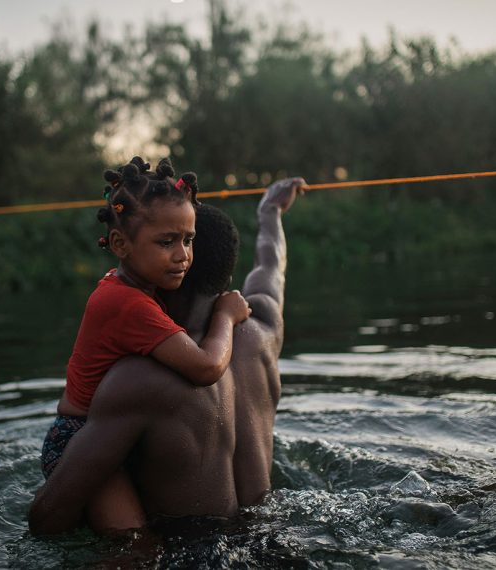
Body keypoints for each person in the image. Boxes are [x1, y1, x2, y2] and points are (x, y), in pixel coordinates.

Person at [29, 176, 304, 535]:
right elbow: (270, 264)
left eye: (187, 241)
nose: (180, 254)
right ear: (228, 273)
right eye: (167, 242)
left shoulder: (137, 379)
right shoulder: (263, 323)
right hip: (268, 534)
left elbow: (47, 518)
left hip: (190, 553)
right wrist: (270, 212)